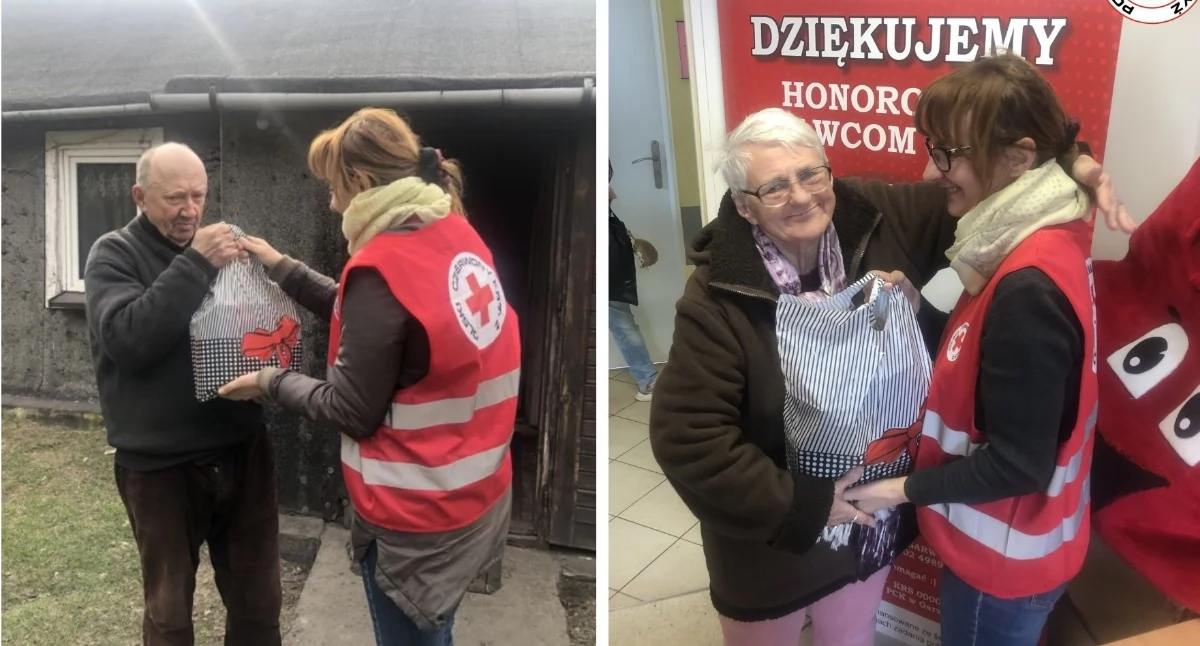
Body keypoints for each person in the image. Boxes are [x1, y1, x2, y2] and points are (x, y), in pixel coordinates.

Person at [647, 106, 1133, 646]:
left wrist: (1075, 165)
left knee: (852, 635)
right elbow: (689, 439)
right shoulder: (716, 297)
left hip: (868, 527)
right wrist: (804, 504)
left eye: (811, 174)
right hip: (773, 545)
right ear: (745, 206)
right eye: (775, 188)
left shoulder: (877, 214)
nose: (803, 196)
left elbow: (1002, 171)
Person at [216, 107, 518, 646]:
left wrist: (269, 381)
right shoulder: (455, 234)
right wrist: (281, 265)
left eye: (332, 187)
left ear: (357, 181)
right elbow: (385, 331)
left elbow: (352, 409)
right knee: (437, 631)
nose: (330, 203)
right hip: (474, 493)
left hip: (414, 516)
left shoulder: (383, 264)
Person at [845, 53, 1103, 645]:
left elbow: (1018, 463)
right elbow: (990, 359)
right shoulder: (1040, 234)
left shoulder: (1026, 286)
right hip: (1029, 548)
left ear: (1019, 157)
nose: (934, 173)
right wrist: (919, 307)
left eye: (949, 153)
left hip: (1002, 571)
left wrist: (896, 489)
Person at [83, 142, 282, 646]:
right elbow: (128, 339)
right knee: (170, 614)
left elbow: (245, 327)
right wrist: (196, 263)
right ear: (139, 196)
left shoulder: (222, 248)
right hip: (162, 467)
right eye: (175, 198)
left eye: (199, 195)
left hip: (242, 450)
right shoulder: (114, 253)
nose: (190, 210)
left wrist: (262, 370)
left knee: (258, 602)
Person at [609, 160, 661, 400]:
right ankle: (647, 380)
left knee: (622, 322)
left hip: (614, 272)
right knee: (622, 325)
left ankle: (647, 379)